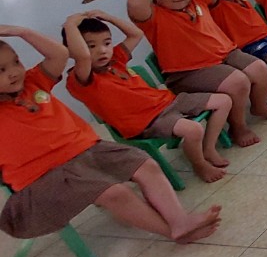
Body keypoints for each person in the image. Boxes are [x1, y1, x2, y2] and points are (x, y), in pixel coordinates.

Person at [0, 25, 222, 243]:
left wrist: (21, 31)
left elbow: (59, 54)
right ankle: (173, 232)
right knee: (116, 193)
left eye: (16, 62)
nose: (14, 72)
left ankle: (180, 222)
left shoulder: (33, 82)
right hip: (43, 174)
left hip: (87, 148)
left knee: (146, 165)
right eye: (1, 70)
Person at [64, 11, 233, 182]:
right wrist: (70, 24)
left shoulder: (116, 59)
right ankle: (199, 164)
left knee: (224, 101)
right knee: (193, 130)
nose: (102, 50)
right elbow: (83, 57)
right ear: (73, 51)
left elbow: (136, 34)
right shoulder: (80, 79)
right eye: (90, 46)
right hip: (147, 121)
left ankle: (208, 148)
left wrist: (108, 17)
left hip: (168, 102)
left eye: (107, 43)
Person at [126, 0, 267, 146]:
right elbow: (134, 5)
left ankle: (259, 106)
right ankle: (238, 128)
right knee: (238, 81)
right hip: (189, 72)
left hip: (226, 55)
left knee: (260, 68)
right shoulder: (152, 15)